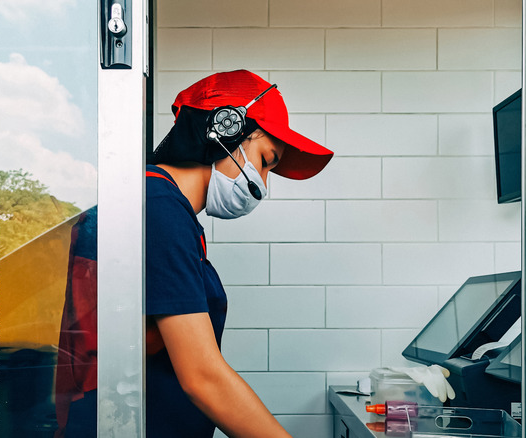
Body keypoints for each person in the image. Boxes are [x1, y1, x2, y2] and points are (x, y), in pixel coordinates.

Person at [55, 70, 333, 438]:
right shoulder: (156, 208)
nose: (262, 185)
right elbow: (202, 377)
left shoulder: (160, 206)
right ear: (225, 128)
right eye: (266, 161)